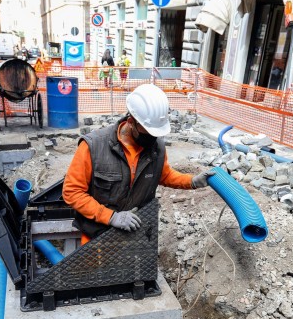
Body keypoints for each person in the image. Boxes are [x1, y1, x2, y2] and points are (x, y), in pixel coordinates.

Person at [63, 84, 215, 239]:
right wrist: (110, 217)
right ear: (131, 121)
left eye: (155, 132)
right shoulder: (94, 146)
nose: (151, 136)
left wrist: (192, 181)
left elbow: (164, 175)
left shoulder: (157, 148)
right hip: (96, 237)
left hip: (135, 235)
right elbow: (72, 192)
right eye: (147, 130)